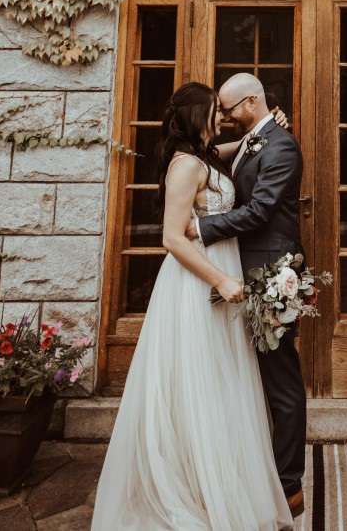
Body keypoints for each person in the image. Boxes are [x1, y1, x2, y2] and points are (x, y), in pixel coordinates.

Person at [91, 82, 292, 531]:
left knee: (220, 384)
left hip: (221, 271)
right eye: (213, 111)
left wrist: (269, 126)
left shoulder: (207, 156)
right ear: (195, 116)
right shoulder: (184, 165)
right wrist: (220, 277)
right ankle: (189, 489)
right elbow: (170, 238)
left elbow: (243, 144)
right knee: (196, 383)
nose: (219, 117)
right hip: (197, 281)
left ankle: (213, 482)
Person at [189, 72, 306, 520]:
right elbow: (211, 155)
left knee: (281, 382)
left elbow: (259, 212)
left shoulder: (281, 147)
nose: (223, 116)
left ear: (251, 103)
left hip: (274, 274)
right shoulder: (256, 139)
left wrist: (200, 228)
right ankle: (256, 472)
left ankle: (289, 485)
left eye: (228, 108)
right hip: (245, 271)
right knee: (250, 376)